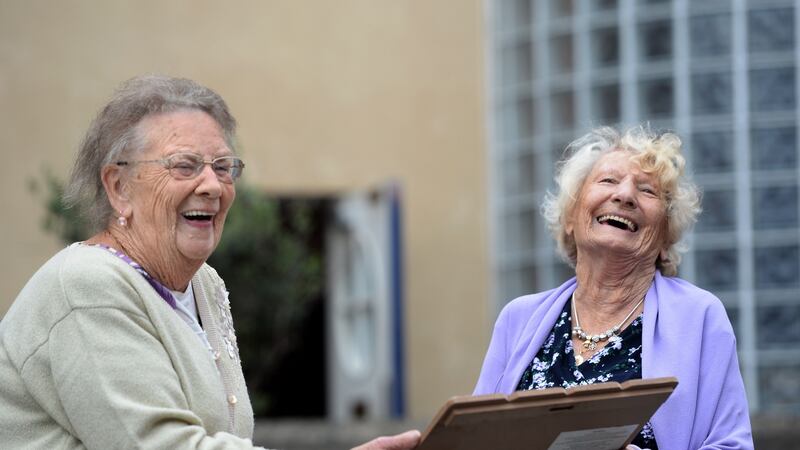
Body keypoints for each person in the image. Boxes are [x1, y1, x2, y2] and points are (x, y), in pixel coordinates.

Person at [0, 75, 419, 450]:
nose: (212, 185)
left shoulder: (204, 284)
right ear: (118, 187)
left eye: (223, 167)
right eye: (184, 166)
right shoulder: (88, 284)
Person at [473, 126, 753, 449]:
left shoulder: (700, 317)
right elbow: (475, 438)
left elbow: (733, 445)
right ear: (570, 217)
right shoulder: (517, 320)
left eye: (647, 190)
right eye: (607, 181)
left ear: (665, 238)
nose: (624, 195)